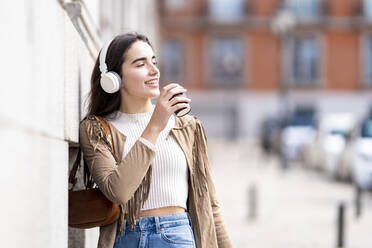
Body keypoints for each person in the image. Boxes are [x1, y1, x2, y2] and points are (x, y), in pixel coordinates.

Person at [79, 32, 232, 248]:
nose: (154, 71)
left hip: (177, 236)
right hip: (125, 238)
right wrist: (155, 125)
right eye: (140, 64)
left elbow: (210, 205)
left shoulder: (187, 127)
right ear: (113, 78)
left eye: (154, 62)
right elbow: (119, 191)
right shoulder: (97, 130)